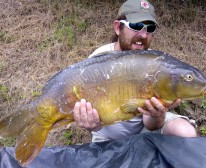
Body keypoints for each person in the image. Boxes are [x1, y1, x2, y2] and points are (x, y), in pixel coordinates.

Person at [73, 0, 197, 142]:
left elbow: (150, 125)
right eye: (136, 26)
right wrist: (90, 124)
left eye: (149, 28)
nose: (143, 35)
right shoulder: (98, 61)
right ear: (118, 28)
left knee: (185, 131)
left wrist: (157, 115)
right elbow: (93, 123)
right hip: (108, 136)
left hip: (145, 129)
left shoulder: (155, 65)